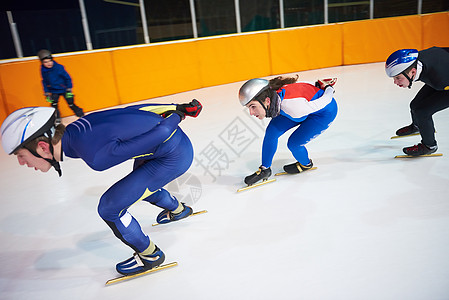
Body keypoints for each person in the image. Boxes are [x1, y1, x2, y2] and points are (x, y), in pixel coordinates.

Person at [0, 99, 202, 276]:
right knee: (140, 188)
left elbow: (163, 131)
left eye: (21, 156)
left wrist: (177, 114)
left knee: (110, 207)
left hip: (173, 155)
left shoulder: (96, 157)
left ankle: (151, 256)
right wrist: (177, 108)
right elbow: (133, 110)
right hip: (163, 149)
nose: (21, 163)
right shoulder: (78, 127)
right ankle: (178, 210)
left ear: (43, 148)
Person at [238, 75, 338, 185]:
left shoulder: (293, 106)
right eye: (249, 108)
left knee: (294, 144)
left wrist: (328, 88)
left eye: (253, 106)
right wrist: (316, 84)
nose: (251, 113)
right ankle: (265, 169)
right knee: (271, 133)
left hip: (322, 113)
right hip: (299, 110)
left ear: (267, 101)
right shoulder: (274, 94)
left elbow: (326, 100)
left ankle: (306, 164)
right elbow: (300, 86)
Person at [385, 47, 449, 156]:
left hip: (444, 79)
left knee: (422, 112)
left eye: (398, 78)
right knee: (414, 105)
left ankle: (429, 146)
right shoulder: (415, 63)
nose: (395, 82)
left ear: (413, 72)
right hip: (441, 69)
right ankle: (418, 126)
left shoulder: (439, 78)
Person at [37, 49, 85, 123]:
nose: (48, 63)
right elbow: (44, 81)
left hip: (64, 89)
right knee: (54, 105)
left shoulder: (59, 67)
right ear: (42, 63)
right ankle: (57, 119)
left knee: (71, 103)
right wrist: (46, 92)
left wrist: (69, 88)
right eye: (45, 62)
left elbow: (67, 78)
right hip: (53, 90)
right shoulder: (43, 70)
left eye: (50, 61)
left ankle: (81, 115)